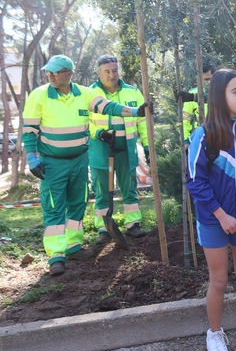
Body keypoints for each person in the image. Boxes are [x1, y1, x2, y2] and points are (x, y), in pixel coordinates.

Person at [22, 55, 148, 276]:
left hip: (80, 160)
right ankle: (56, 256)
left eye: (55, 72)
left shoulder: (84, 94)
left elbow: (109, 107)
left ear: (68, 74)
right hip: (53, 163)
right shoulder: (39, 95)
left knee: (77, 204)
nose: (50, 75)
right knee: (54, 207)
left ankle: (73, 246)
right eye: (48, 72)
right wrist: (32, 158)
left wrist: (136, 112)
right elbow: (30, 131)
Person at [186, 69, 236, 351]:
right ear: (220, 96)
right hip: (213, 220)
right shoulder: (203, 135)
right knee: (218, 281)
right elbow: (195, 181)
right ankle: (215, 334)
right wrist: (221, 215)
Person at [89, 54, 149, 244]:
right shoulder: (89, 94)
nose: (111, 75)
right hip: (100, 149)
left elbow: (143, 121)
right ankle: (103, 227)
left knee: (129, 187)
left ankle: (133, 224)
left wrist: (147, 146)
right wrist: (98, 133)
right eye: (107, 71)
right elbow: (84, 122)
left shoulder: (133, 92)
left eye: (114, 70)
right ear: (98, 73)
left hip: (126, 149)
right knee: (102, 190)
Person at [181, 63, 214, 144]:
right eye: (205, 80)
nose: (207, 83)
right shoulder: (192, 93)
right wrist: (185, 140)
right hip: (199, 135)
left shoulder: (221, 92)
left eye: (209, 79)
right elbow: (185, 118)